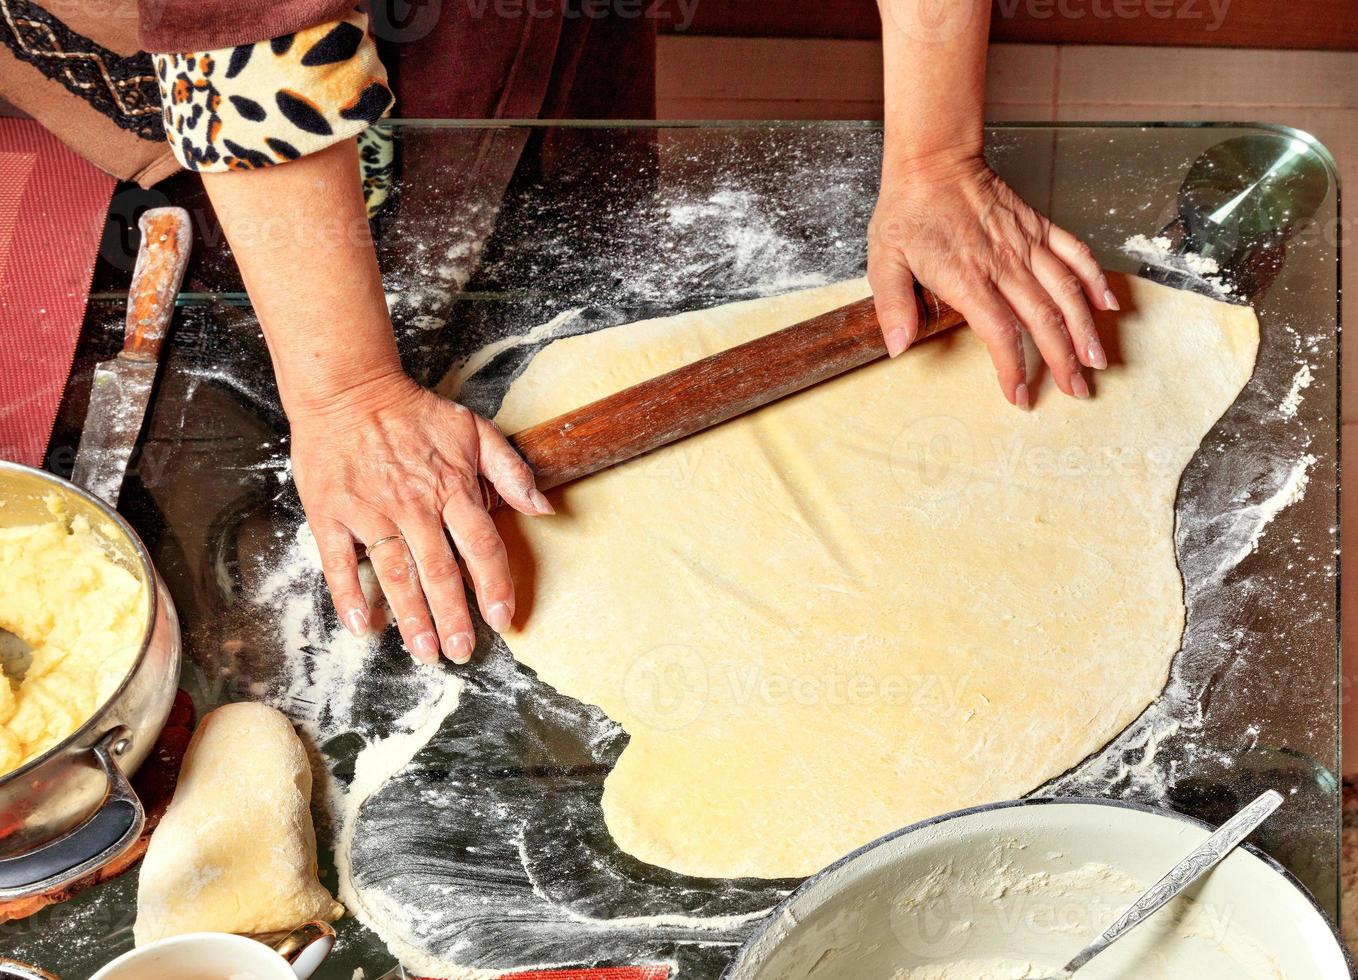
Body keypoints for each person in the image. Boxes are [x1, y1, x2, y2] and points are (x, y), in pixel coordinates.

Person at [4, 0, 1115, 666]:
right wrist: (343, 392)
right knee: (282, 345)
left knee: (565, 224)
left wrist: (933, 155)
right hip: (231, 58)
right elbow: (242, 29)